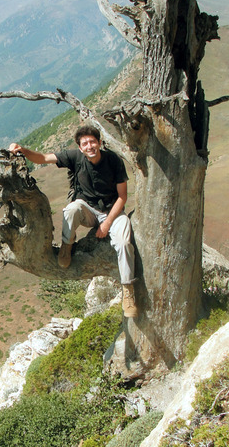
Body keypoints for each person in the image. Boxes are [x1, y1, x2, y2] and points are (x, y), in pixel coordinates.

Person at [8, 125, 138, 318]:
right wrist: (22, 151)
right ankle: (66, 248)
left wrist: (107, 223)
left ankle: (128, 291)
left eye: (93, 141)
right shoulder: (75, 158)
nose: (89, 146)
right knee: (71, 209)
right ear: (80, 147)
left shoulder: (113, 161)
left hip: (113, 211)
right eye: (85, 143)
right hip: (88, 210)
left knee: (124, 242)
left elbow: (122, 196)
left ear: (100, 143)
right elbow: (44, 158)